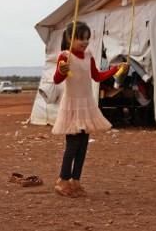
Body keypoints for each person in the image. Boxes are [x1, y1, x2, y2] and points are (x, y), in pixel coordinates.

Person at [52, 21, 128, 197]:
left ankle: (75, 180)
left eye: (87, 38)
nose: (85, 42)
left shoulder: (88, 56)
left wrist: (115, 69)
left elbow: (97, 76)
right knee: (72, 145)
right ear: (70, 38)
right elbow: (57, 80)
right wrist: (62, 71)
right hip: (72, 105)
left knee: (83, 145)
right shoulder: (65, 56)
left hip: (86, 105)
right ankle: (62, 180)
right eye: (80, 38)